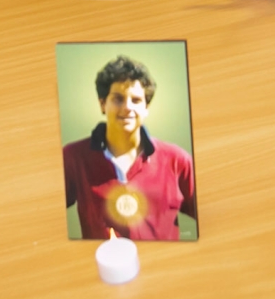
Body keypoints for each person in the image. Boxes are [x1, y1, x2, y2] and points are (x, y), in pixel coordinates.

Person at [59, 55, 195, 240]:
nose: (127, 107)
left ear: (146, 107)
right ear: (102, 104)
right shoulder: (74, 158)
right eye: (118, 99)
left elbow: (212, 215)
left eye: (136, 100)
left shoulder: (177, 161)